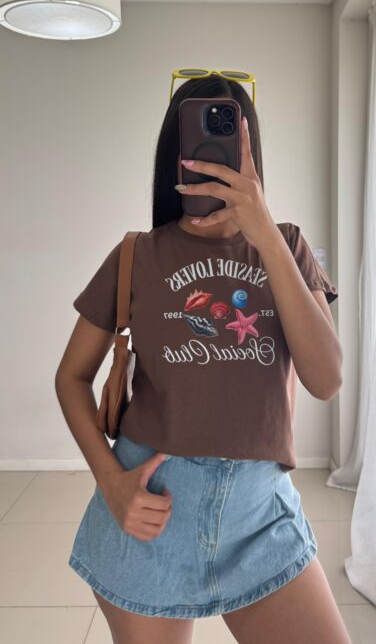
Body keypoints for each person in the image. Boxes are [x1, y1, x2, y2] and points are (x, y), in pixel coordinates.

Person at [55, 75, 351, 644]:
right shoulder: (137, 254)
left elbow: (327, 378)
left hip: (260, 520)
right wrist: (111, 484)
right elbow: (71, 376)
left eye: (225, 143)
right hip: (150, 519)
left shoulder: (287, 247)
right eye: (196, 143)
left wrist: (264, 234)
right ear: (177, 153)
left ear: (249, 153)